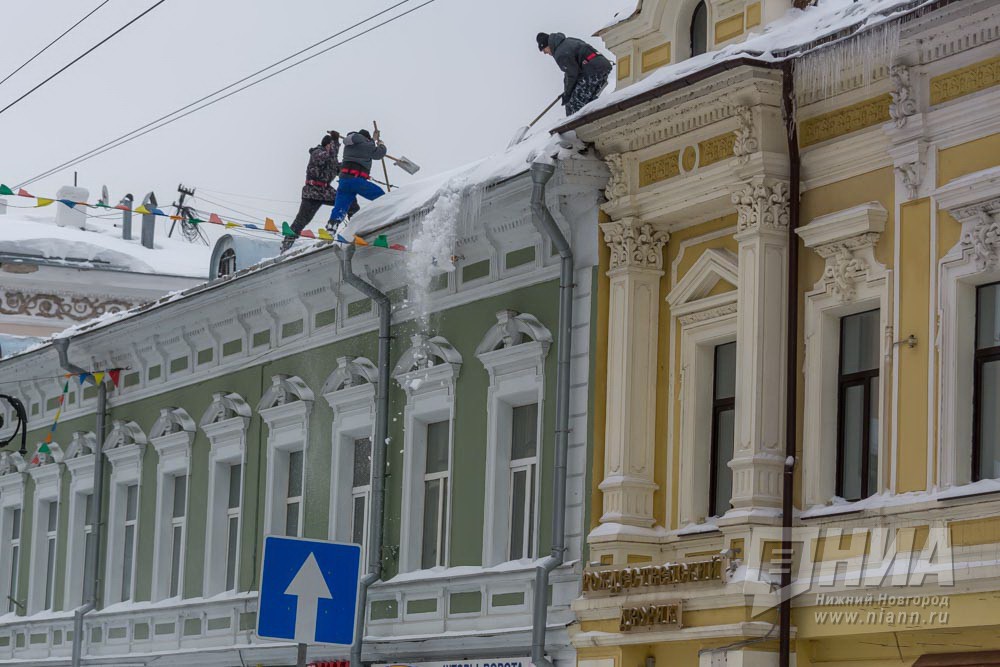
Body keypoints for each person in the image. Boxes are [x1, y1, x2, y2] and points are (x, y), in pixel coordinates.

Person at [281, 132, 360, 253]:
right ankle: (286, 245)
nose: (333, 148)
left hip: (325, 191)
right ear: (327, 145)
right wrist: (335, 140)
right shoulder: (317, 153)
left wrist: (357, 169)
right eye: (332, 145)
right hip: (312, 192)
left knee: (349, 200)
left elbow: (341, 167)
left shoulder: (331, 159)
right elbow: (329, 157)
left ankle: (357, 227)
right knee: (302, 220)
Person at [326, 129, 388, 236]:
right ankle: (383, 220)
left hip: (344, 182)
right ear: (366, 138)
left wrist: (373, 139)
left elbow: (368, 146)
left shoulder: (349, 145)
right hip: (357, 180)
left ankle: (331, 227)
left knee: (341, 207)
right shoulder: (365, 144)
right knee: (382, 197)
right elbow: (379, 154)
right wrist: (381, 144)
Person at [537, 32, 613, 116]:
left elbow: (572, 74)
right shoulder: (569, 41)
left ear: (548, 45)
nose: (545, 53)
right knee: (587, 101)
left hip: (593, 71)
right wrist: (567, 91)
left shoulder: (560, 53)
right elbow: (569, 73)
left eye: (544, 50)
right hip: (601, 67)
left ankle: (577, 127)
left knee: (574, 104)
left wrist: (568, 94)